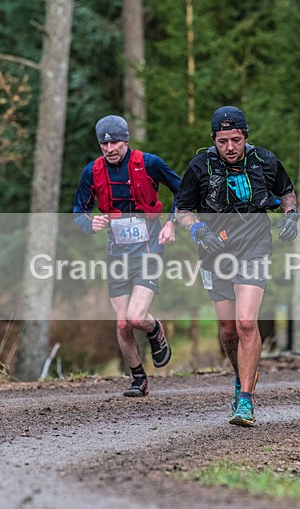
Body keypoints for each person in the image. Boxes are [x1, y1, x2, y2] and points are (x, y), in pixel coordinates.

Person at [176, 106, 299, 426]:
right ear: (213, 140)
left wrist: (291, 216)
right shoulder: (199, 166)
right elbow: (182, 210)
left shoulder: (265, 161)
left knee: (245, 322)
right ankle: (241, 375)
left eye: (235, 139)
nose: (229, 147)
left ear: (246, 136)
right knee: (228, 329)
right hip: (214, 253)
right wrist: (197, 230)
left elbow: (286, 192)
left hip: (254, 249)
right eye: (222, 141)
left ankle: (245, 400)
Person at [73, 115, 181, 397]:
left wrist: (172, 223)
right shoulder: (92, 172)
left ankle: (155, 329)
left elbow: (184, 191)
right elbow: (78, 212)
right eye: (103, 144)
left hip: (148, 249)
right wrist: (89, 223)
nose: (109, 149)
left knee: (135, 317)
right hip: (116, 252)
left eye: (115, 142)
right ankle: (138, 379)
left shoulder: (149, 163)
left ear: (126, 140)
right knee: (122, 323)